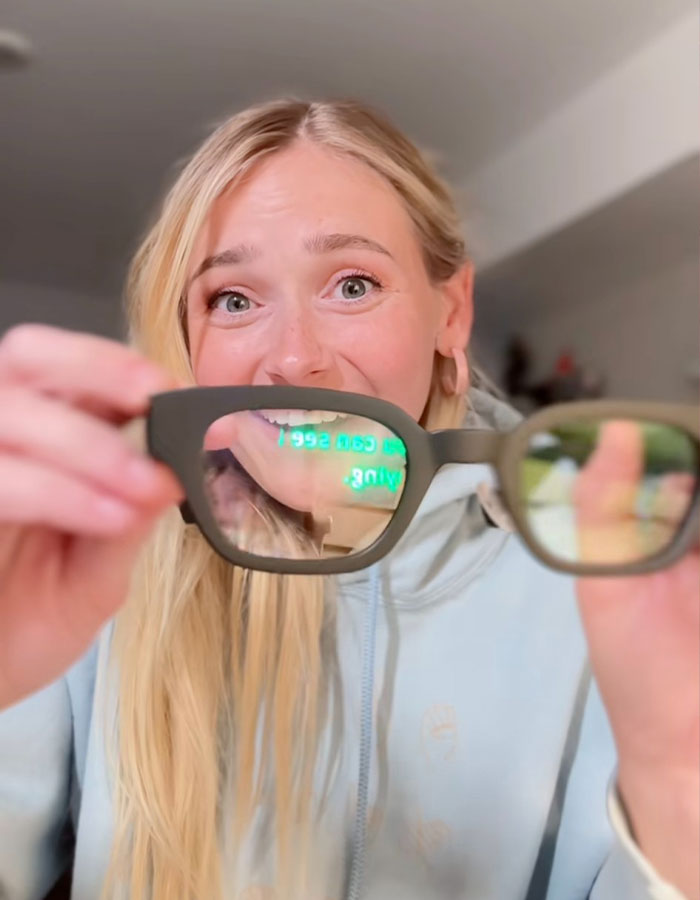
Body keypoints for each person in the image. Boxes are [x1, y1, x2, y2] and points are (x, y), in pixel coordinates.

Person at [0, 98, 696, 900]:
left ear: (452, 313)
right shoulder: (96, 567)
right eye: (233, 299)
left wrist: (676, 781)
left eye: (352, 284)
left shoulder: (594, 586)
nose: (294, 358)